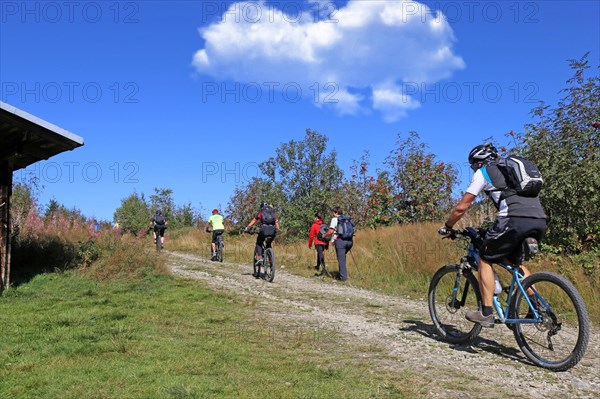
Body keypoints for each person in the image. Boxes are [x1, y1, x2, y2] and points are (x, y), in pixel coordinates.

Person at [439, 143, 547, 327]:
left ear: (479, 162)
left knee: (484, 257)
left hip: (513, 219)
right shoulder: (511, 172)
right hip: (539, 219)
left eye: (473, 165)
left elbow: (461, 207)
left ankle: (486, 313)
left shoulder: (484, 172)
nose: (474, 169)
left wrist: (448, 226)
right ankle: (537, 307)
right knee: (514, 263)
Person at [244, 202, 280, 277]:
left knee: (259, 243)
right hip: (272, 231)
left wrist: (247, 228)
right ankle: (270, 261)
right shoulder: (273, 213)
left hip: (263, 230)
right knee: (268, 244)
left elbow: (253, 221)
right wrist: (276, 231)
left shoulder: (260, 213)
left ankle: (260, 257)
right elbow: (277, 226)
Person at [326, 207, 353, 281]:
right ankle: (343, 274)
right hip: (350, 241)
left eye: (333, 212)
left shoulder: (335, 219)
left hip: (340, 241)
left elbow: (330, 231)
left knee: (341, 260)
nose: (333, 214)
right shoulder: (346, 219)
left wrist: (324, 235)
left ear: (336, 213)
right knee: (342, 258)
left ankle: (343, 278)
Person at [308, 212, 329, 276]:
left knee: (320, 255)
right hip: (324, 242)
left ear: (317, 218)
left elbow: (311, 235)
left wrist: (310, 244)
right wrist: (327, 244)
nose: (314, 218)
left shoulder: (314, 225)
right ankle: (317, 266)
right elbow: (327, 235)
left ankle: (323, 270)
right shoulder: (324, 225)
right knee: (319, 254)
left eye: (315, 217)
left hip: (318, 242)